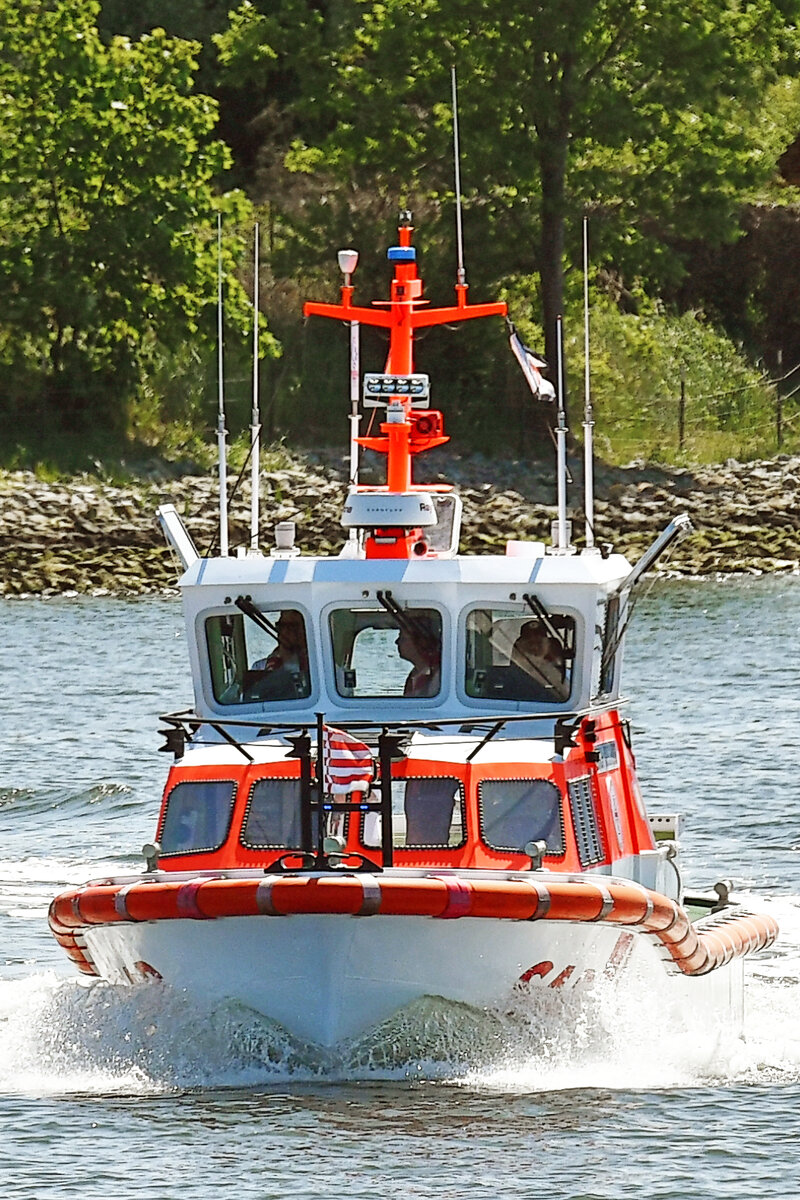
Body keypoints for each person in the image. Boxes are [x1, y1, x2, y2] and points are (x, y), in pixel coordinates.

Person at [245, 610, 310, 700]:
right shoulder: (260, 668)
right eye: (282, 626)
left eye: (292, 627)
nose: (285, 631)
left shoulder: (322, 668)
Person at [509, 620, 567, 700]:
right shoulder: (509, 675)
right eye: (529, 643)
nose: (534, 648)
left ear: (548, 645)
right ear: (519, 646)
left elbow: (565, 697)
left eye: (539, 643)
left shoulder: (561, 675)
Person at [396, 619, 441, 698]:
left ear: (420, 643)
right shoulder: (417, 672)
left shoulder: (439, 677)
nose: (396, 642)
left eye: (402, 638)